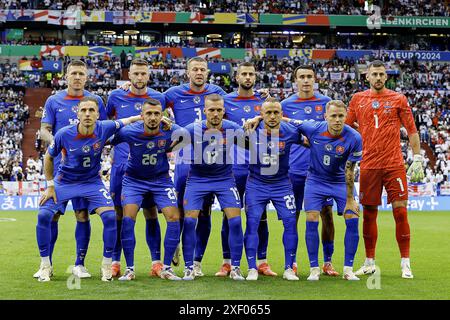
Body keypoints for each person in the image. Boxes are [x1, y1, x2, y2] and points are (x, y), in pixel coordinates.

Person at [35, 97, 140, 282]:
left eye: (92, 110)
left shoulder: (104, 127)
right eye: (83, 110)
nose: (88, 114)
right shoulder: (63, 134)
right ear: (78, 114)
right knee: (44, 215)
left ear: (98, 114)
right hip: (65, 181)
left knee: (110, 217)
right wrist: (50, 186)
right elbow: (48, 158)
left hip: (92, 182)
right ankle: (45, 266)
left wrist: (144, 117)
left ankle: (106, 265)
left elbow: (127, 120)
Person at [346, 60, 423, 279]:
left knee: (400, 210)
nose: (378, 78)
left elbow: (412, 130)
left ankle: (405, 263)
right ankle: (369, 262)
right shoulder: (357, 99)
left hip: (394, 164)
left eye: (381, 74)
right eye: (374, 74)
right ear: (366, 77)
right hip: (369, 164)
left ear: (386, 77)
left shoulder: (398, 99)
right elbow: (347, 126)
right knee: (369, 214)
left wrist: (417, 158)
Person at [35, 59, 107, 280]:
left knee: (82, 215)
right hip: (58, 170)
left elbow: (102, 130)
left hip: (86, 173)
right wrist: (60, 142)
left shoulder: (94, 101)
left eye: (81, 74)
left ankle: (80, 264)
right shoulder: (54, 100)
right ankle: (46, 264)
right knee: (52, 215)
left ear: (87, 77)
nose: (77, 77)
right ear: (66, 76)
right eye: (73, 73)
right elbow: (44, 129)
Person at [286, 100, 363, 280]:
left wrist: (351, 199)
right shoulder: (313, 128)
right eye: (333, 116)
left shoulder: (354, 138)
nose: (337, 120)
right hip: (315, 181)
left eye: (341, 116)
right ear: (325, 116)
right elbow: (285, 119)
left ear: (346, 116)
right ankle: (314, 269)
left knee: (352, 218)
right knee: (311, 218)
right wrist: (258, 117)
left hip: (341, 182)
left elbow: (350, 170)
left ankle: (348, 269)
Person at [164, 57, 227, 277]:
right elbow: (151, 104)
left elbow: (236, 106)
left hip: (209, 159)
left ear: (207, 73)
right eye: (195, 69)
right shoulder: (173, 94)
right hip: (184, 159)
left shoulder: (217, 91)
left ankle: (197, 261)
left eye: (202, 69)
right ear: (187, 72)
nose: (199, 73)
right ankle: (177, 246)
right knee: (179, 210)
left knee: (205, 212)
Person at [106, 58, 166, 278]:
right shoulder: (115, 96)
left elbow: (168, 126)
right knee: (120, 215)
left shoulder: (159, 98)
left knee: (151, 213)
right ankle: (115, 262)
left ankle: (156, 262)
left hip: (149, 168)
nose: (140, 77)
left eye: (143, 74)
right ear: (128, 75)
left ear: (148, 75)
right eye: (136, 74)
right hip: (121, 166)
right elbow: (106, 127)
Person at [110, 99, 182, 281]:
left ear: (162, 116)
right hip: (134, 180)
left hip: (161, 180)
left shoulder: (169, 131)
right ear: (142, 116)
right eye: (148, 114)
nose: (152, 117)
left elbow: (185, 137)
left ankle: (166, 268)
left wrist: (172, 130)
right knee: (128, 219)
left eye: (157, 114)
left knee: (174, 218)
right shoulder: (130, 131)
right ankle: (129, 269)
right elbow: (108, 139)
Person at [176, 94, 245, 281]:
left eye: (219, 110)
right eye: (211, 110)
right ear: (204, 111)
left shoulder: (232, 129)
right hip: (198, 179)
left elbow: (253, 144)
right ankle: (189, 267)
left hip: (224, 179)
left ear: (224, 111)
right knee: (190, 221)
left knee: (236, 221)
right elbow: (170, 144)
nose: (215, 114)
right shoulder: (192, 129)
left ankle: (235, 267)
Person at [218, 62, 276, 278]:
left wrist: (260, 116)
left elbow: (277, 120)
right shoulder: (226, 101)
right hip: (232, 167)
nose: (248, 77)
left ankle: (262, 261)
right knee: (229, 216)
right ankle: (227, 262)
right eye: (244, 74)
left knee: (260, 216)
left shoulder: (264, 102)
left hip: (258, 168)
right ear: (236, 77)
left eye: (251, 73)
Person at [280, 65, 338, 276]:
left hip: (322, 171)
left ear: (316, 79)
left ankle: (328, 261)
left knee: (327, 215)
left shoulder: (326, 103)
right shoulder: (286, 105)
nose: (306, 80)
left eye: (309, 77)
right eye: (301, 77)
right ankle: (292, 262)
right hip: (294, 169)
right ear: (295, 80)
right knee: (292, 216)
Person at [243, 97, 300, 281]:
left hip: (282, 184)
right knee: (252, 223)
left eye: (276, 112)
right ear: (261, 114)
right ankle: (252, 267)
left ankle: (288, 268)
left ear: (282, 115)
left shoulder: (290, 132)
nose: (273, 116)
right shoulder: (251, 130)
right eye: (268, 112)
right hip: (256, 184)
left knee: (291, 223)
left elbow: (311, 140)